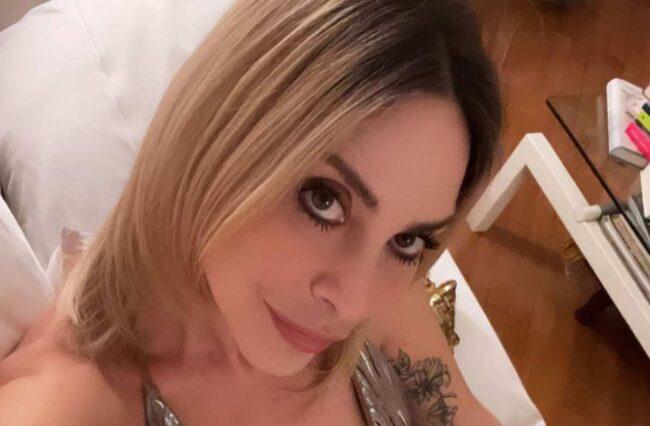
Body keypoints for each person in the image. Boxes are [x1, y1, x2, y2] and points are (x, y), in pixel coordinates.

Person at [0, 0, 503, 424]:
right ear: (220, 134)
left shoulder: (379, 286)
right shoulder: (66, 406)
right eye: (323, 200)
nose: (353, 304)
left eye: (408, 240)